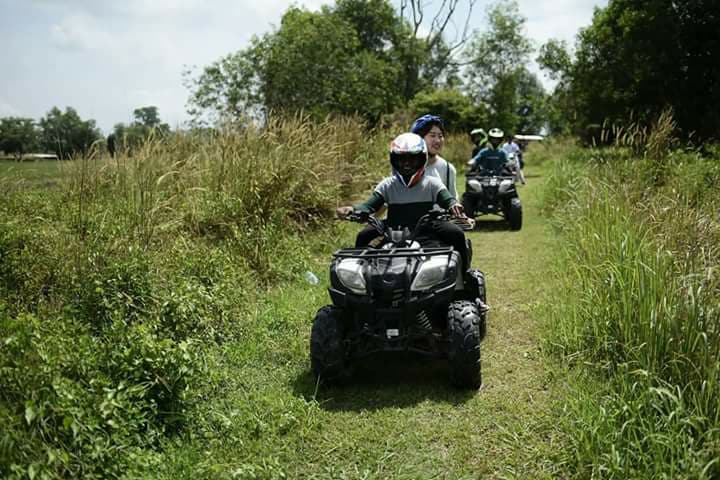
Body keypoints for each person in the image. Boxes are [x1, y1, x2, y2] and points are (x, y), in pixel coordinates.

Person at [336, 132, 470, 271]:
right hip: (392, 229)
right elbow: (369, 206)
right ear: (394, 160)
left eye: (412, 159)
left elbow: (448, 199)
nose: (407, 163)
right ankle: (360, 278)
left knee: (457, 234)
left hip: (427, 228)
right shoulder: (387, 185)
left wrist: (454, 206)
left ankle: (464, 276)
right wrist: (352, 210)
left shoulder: (432, 183)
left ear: (422, 159)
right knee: (363, 236)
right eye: (401, 159)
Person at [410, 114, 458, 200]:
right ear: (418, 138)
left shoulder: (448, 169)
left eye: (440, 136)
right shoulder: (405, 166)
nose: (438, 140)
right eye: (432, 135)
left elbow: (454, 202)